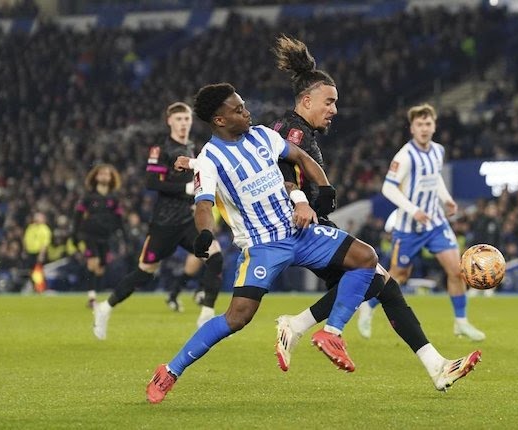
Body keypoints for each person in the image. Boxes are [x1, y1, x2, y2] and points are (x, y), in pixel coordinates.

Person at [268, 35, 482, 389]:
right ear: (307, 100)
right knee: (372, 271)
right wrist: (300, 201)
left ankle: (437, 367)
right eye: (330, 102)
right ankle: (325, 331)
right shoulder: (292, 131)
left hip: (311, 224)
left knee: (380, 285)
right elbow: (283, 170)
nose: (335, 109)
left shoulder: (297, 130)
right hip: (303, 227)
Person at [146, 83, 378, 404]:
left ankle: (331, 333)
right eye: (238, 109)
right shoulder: (210, 159)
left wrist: (324, 188)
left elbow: (300, 157)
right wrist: (204, 233)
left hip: (300, 232)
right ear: (219, 120)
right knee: (237, 318)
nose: (246, 112)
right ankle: (170, 370)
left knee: (366, 258)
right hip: (262, 247)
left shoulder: (263, 135)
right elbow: (203, 204)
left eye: (243, 105)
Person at [92, 102, 224, 340]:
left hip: (188, 220)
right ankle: (105, 308)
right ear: (169, 121)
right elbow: (152, 183)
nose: (184, 123)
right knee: (144, 273)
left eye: (187, 119)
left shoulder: (192, 147)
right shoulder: (161, 149)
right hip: (164, 223)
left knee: (215, 256)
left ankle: (206, 315)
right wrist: (186, 188)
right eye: (180, 119)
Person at [359, 103, 486, 341]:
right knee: (399, 276)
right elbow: (388, 187)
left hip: (436, 223)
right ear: (412, 128)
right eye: (419, 124)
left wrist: (447, 199)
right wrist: (413, 209)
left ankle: (461, 323)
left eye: (428, 124)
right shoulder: (405, 156)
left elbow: (434, 177)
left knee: (456, 271)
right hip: (409, 227)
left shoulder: (437, 150)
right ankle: (368, 307)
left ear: (434, 126)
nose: (424, 128)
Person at [72, 164, 125, 307]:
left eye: (107, 174)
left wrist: (123, 236)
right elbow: (77, 216)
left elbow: (119, 219)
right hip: (89, 234)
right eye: (101, 174)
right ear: (95, 177)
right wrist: (74, 235)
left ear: (111, 177)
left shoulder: (114, 198)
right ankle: (91, 297)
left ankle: (94, 292)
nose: (104, 176)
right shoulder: (88, 197)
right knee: (93, 262)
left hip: (106, 236)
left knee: (101, 267)